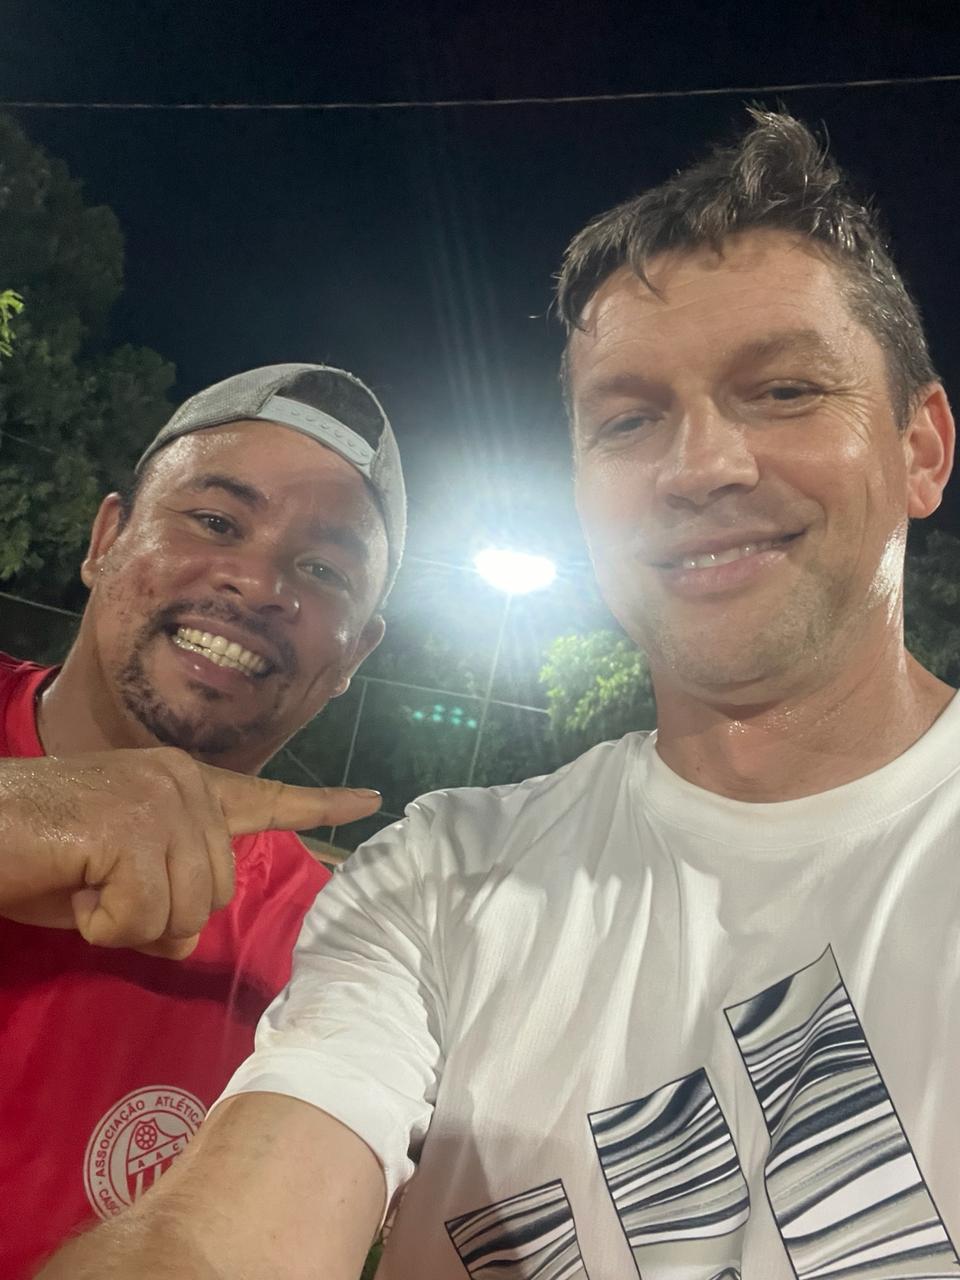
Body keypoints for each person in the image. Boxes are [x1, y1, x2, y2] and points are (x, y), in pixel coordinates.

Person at [39, 110, 960, 1280]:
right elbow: (221, 1228)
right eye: (628, 419)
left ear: (922, 447)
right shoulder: (441, 876)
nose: (699, 466)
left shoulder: (306, 899)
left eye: (784, 389)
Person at [0, 362, 407, 1279]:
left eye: (323, 570)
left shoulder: (332, 963)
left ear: (355, 655)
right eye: (217, 522)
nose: (259, 583)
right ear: (106, 538)